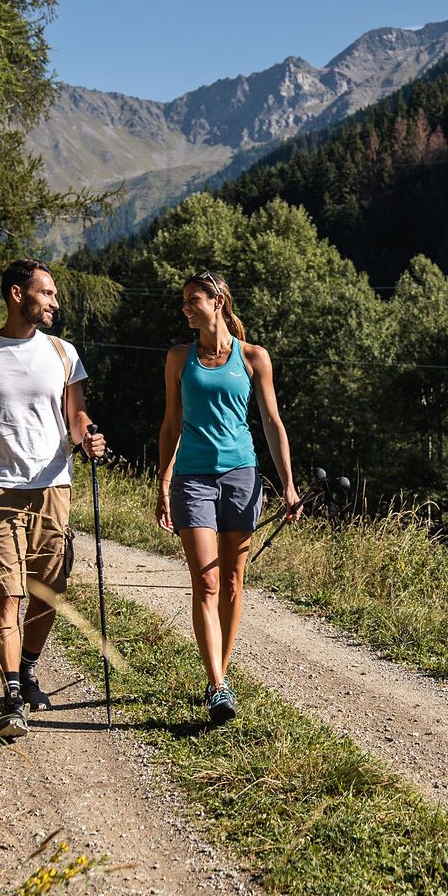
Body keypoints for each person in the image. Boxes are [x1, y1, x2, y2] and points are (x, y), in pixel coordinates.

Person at [0, 258, 106, 738]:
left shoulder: (62, 353)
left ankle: (29, 666)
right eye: (48, 293)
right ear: (18, 294)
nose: (55, 302)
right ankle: (13, 693)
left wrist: (89, 436)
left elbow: (75, 416)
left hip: (54, 487)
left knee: (46, 593)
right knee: (6, 596)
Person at [156, 270, 299, 724]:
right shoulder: (179, 358)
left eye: (192, 300)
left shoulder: (254, 357)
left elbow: (273, 424)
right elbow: (170, 423)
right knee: (207, 582)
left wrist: (289, 485)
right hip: (193, 479)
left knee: (234, 583)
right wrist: (163, 480)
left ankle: (220, 674)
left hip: (242, 477)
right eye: (183, 301)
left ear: (217, 301)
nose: (185, 308)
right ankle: (218, 684)